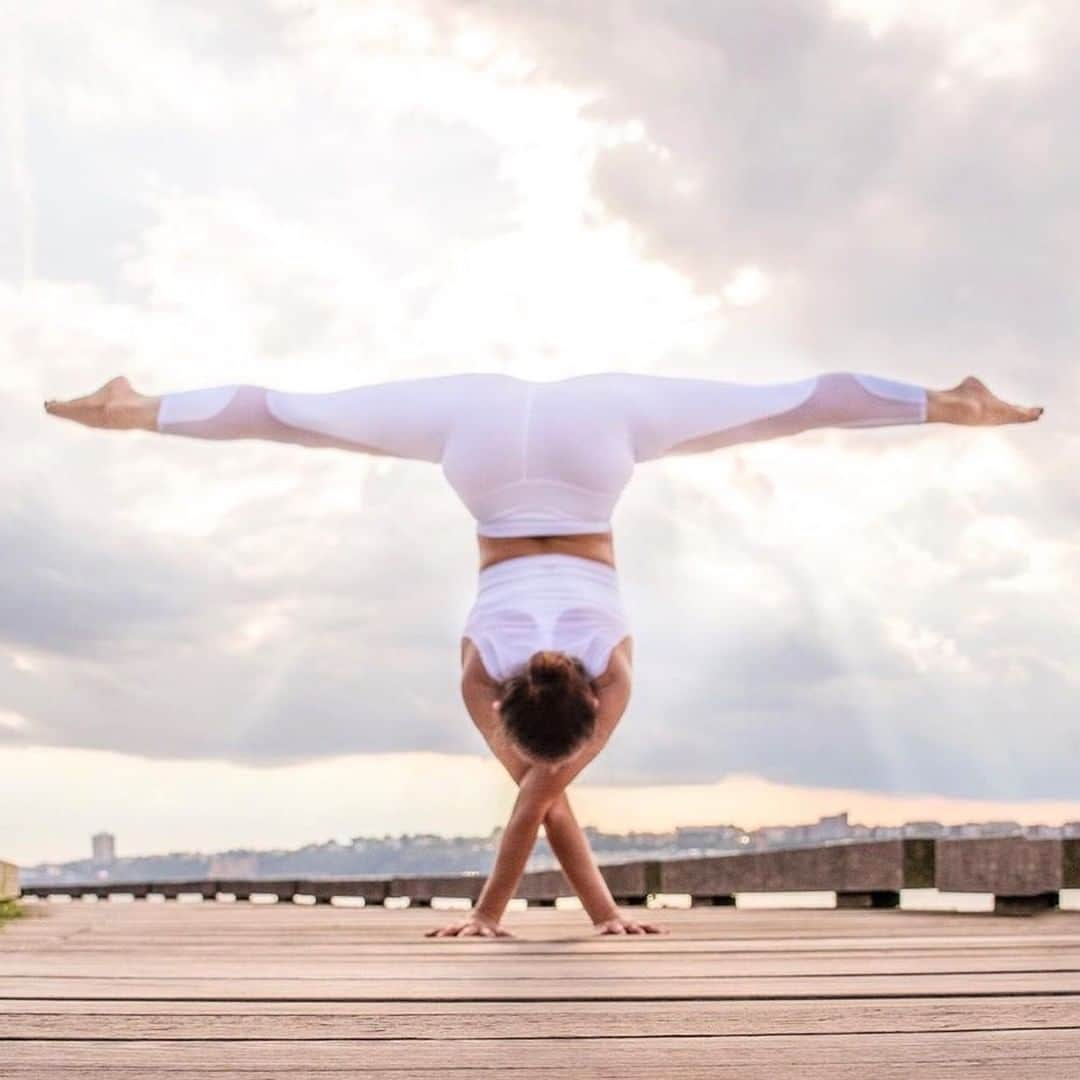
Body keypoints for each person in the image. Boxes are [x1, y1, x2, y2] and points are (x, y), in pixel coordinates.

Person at [44, 370, 1042, 936]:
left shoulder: (610, 673)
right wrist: (549, 916)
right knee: (297, 419)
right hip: (479, 442)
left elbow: (541, 799)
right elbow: (538, 800)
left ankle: (947, 402)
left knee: (788, 407)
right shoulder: (485, 670)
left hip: (595, 436)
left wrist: (547, 915)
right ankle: (137, 408)